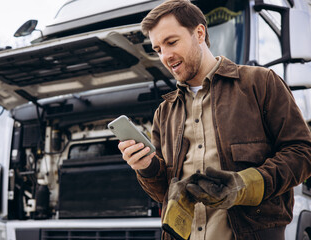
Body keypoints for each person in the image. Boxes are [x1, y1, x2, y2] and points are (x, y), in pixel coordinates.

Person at [118, 0, 311, 239]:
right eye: (158, 49)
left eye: (172, 42)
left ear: (199, 33)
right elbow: (163, 193)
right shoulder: (164, 113)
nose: (166, 56)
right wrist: (145, 167)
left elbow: (302, 153)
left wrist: (244, 185)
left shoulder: (260, 83)